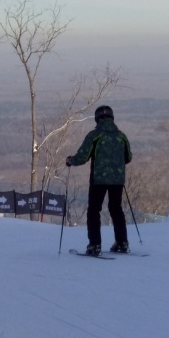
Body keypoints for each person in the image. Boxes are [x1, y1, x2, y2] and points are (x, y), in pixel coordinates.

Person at [65, 105, 132, 255]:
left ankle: (95, 245)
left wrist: (70, 161)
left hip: (98, 179)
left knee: (94, 211)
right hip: (118, 179)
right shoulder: (121, 136)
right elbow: (128, 157)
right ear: (112, 118)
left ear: (97, 119)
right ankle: (122, 242)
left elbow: (82, 157)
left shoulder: (94, 135)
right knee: (116, 209)